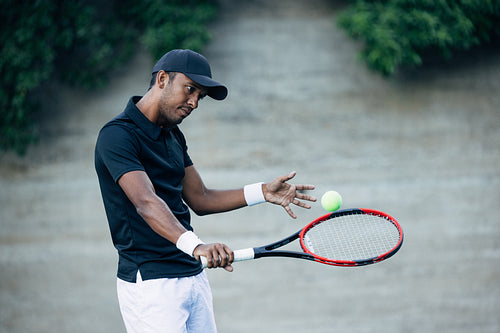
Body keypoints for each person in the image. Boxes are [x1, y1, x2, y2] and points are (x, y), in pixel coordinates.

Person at [94, 49, 316, 333]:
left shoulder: (173, 135)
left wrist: (262, 192)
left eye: (200, 96)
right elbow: (146, 202)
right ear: (162, 79)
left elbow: (201, 197)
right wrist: (196, 246)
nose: (195, 102)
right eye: (190, 90)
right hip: (151, 284)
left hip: (192, 275)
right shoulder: (117, 136)